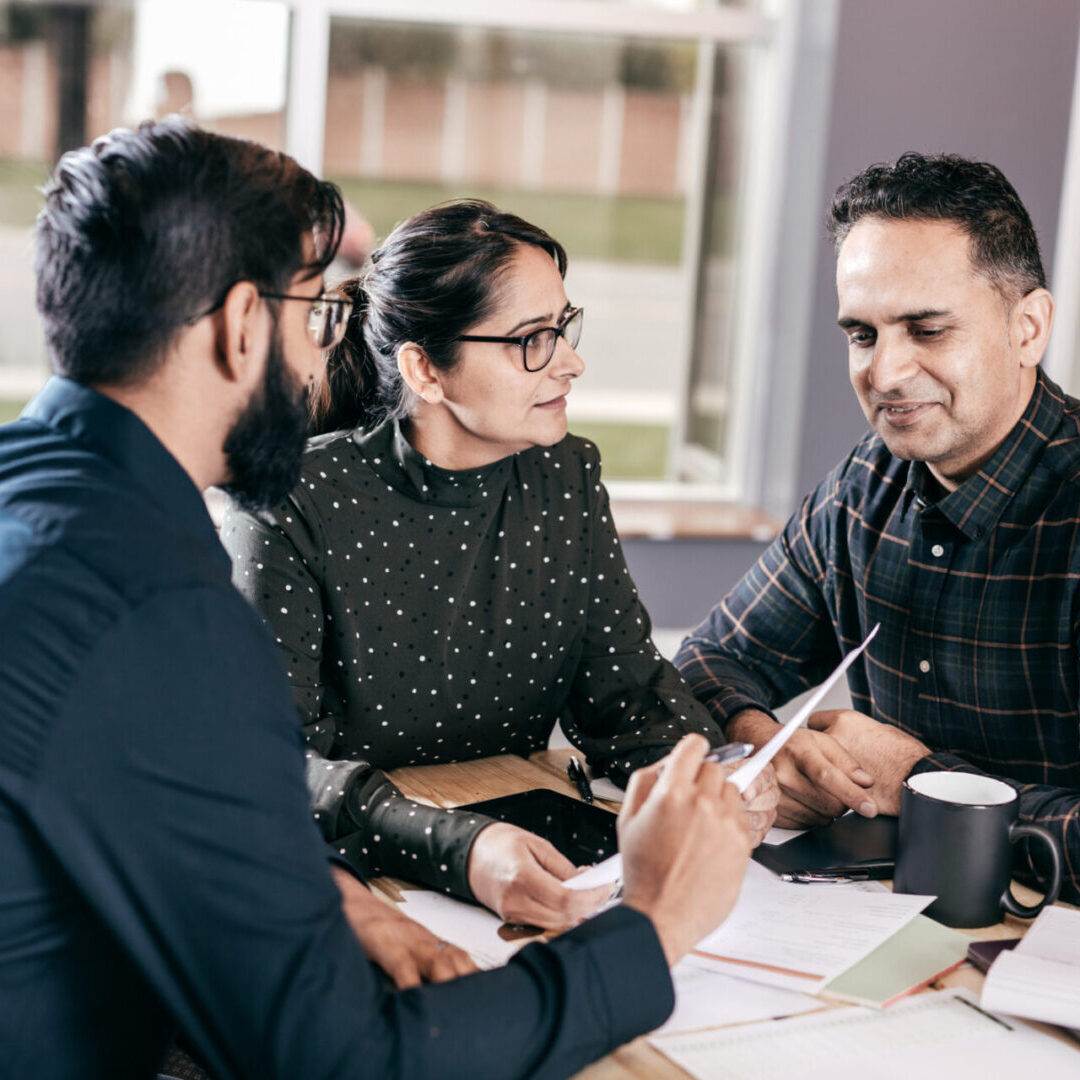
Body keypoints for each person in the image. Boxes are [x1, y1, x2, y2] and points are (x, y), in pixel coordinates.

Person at [0, 118, 756, 1079]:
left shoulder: (41, 504)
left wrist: (328, 895)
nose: (325, 362)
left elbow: (124, 810)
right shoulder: (159, 613)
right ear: (241, 327)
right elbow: (348, 1062)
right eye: (315, 313)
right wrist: (654, 925)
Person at [221, 199, 778, 929]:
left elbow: (628, 695)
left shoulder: (566, 477)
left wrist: (708, 772)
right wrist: (462, 849)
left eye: (564, 328)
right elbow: (267, 766)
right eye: (532, 340)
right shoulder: (288, 503)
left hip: (533, 870)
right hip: (345, 890)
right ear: (425, 369)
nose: (571, 362)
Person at [675, 151, 1080, 903]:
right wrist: (771, 749)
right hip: (887, 924)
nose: (885, 373)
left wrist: (921, 782)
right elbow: (707, 662)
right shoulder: (868, 483)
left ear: (1029, 328)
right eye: (862, 334)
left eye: (926, 330)